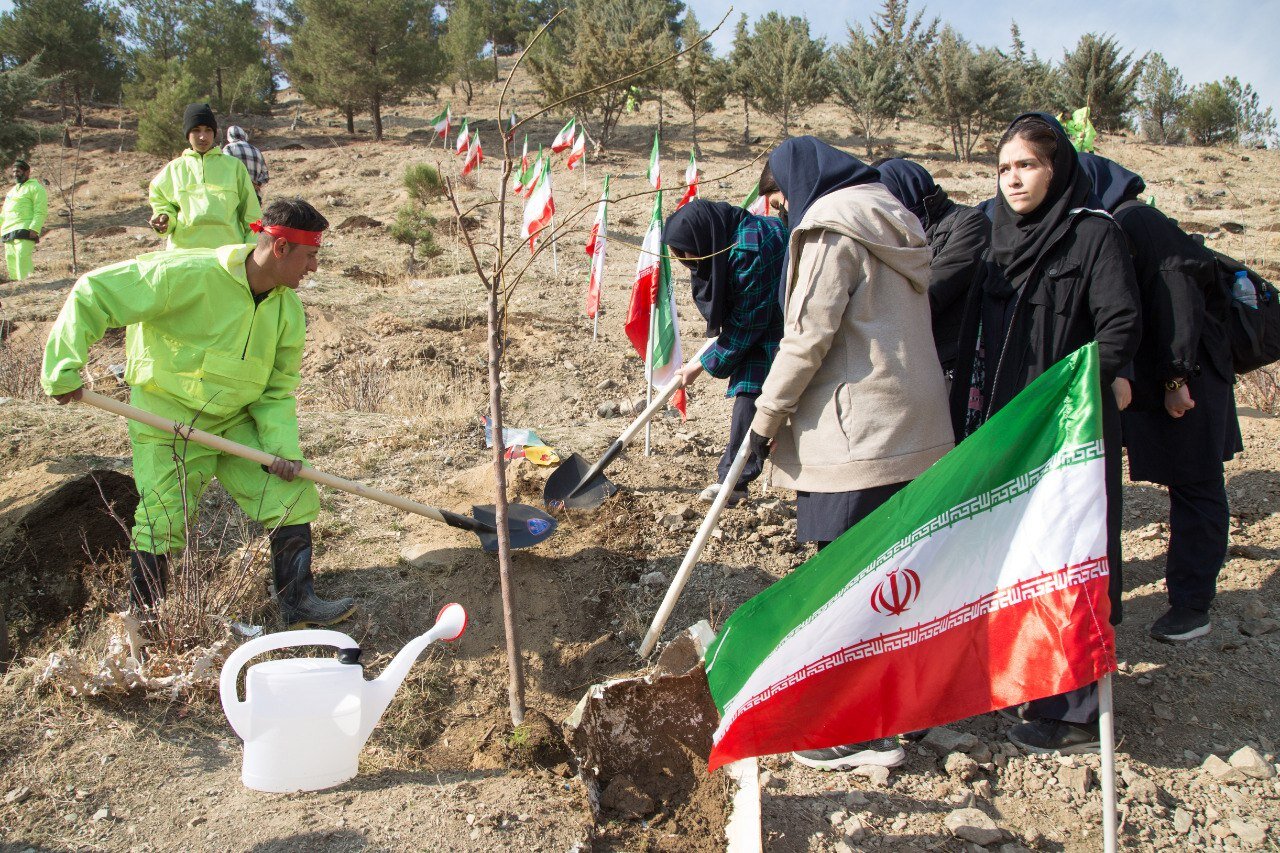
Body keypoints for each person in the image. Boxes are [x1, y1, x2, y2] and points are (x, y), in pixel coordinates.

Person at [41, 198, 356, 628]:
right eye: (311, 255)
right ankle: (146, 622)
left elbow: (277, 390)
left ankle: (297, 603)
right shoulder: (186, 273)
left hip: (234, 422)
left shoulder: (287, 310)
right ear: (279, 248)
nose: (315, 268)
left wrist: (282, 449)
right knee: (162, 520)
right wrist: (63, 366)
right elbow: (94, 291)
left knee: (292, 497)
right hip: (168, 421)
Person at [749, 136, 955, 770]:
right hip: (914, 428)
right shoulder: (895, 221)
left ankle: (850, 728)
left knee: (845, 581)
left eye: (778, 197)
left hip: (856, 435)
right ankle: (908, 710)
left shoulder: (828, 228)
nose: (781, 210)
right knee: (897, 576)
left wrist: (763, 419)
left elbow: (808, 336)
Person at [949, 114, 1141, 754]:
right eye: (1004, 168)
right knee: (1015, 555)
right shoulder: (990, 241)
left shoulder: (1093, 236)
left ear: (1056, 169)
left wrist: (1074, 392)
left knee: (1067, 555)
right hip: (1002, 429)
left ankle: (1074, 707)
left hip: (1067, 430)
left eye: (1026, 165)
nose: (1014, 179)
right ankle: (1025, 678)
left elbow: (1119, 327)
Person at [1078, 152, 1241, 643]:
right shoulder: (1117, 222)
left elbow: (1178, 296)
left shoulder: (1136, 220)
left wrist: (1175, 380)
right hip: (1167, 375)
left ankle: (1192, 605)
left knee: (1196, 483)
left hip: (1187, 377)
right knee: (1183, 478)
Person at [664, 199, 786, 505]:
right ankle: (734, 479)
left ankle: (735, 479)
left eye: (691, 255)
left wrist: (702, 365)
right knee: (749, 394)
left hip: (782, 327)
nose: (690, 263)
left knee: (752, 395)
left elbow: (748, 322)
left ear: (704, 237)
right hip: (763, 318)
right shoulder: (726, 235)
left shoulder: (750, 251)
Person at [875, 158, 990, 377]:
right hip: (910, 359)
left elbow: (934, 290)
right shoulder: (895, 233)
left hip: (951, 360)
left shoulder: (970, 223)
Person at [149, 103, 261, 250]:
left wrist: (251, 251)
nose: (203, 136)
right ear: (187, 134)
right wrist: (164, 219)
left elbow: (252, 215)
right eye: (196, 130)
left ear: (214, 133)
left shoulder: (234, 167)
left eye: (208, 130)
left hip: (228, 257)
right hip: (184, 256)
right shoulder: (173, 169)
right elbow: (162, 205)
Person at [2, 159, 48, 282]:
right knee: (11, 258)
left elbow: (41, 210)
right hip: (8, 230)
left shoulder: (36, 188)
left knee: (22, 256)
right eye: (13, 171)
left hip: (25, 228)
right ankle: (17, 286)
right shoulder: (11, 192)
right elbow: (4, 213)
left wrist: (35, 227)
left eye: (18, 171)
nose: (15, 174)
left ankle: (28, 283)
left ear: (27, 172)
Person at [223, 125, 269, 203]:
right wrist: (255, 184)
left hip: (236, 195)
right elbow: (265, 176)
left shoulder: (229, 148)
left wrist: (246, 183)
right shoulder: (257, 150)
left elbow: (228, 170)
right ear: (244, 135)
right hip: (254, 196)